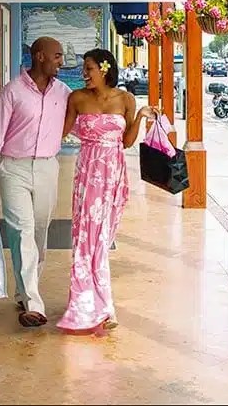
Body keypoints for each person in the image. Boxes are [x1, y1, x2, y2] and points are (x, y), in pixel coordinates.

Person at [0, 37, 70, 328]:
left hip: (48, 167)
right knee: (22, 231)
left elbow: (84, 116)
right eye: (57, 55)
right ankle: (33, 303)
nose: (61, 61)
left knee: (39, 231)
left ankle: (24, 291)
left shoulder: (63, 92)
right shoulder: (12, 92)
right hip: (14, 168)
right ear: (39, 56)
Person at [56, 48, 155, 335]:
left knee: (103, 237)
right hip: (88, 174)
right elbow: (60, 132)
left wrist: (141, 117)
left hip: (113, 175)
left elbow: (127, 142)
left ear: (105, 68)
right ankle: (92, 305)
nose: (83, 74)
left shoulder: (126, 99)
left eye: (88, 68)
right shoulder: (77, 98)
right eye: (84, 69)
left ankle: (98, 302)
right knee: (87, 238)